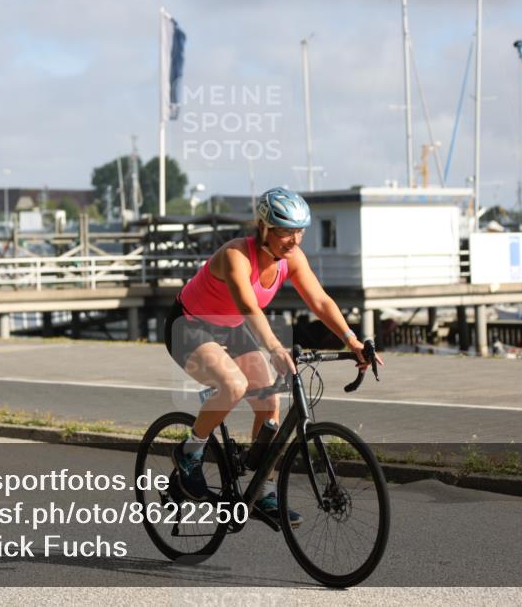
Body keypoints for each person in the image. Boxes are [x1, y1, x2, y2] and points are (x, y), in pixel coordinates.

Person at [164, 187, 383, 525]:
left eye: (299, 231)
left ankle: (260, 490)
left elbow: (320, 301)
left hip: (233, 327)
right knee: (233, 385)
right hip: (189, 326)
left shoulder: (291, 259)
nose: (293, 240)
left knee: (270, 401)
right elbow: (249, 306)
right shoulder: (235, 256)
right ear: (264, 227)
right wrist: (275, 348)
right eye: (285, 231)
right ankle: (189, 452)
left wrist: (351, 339)